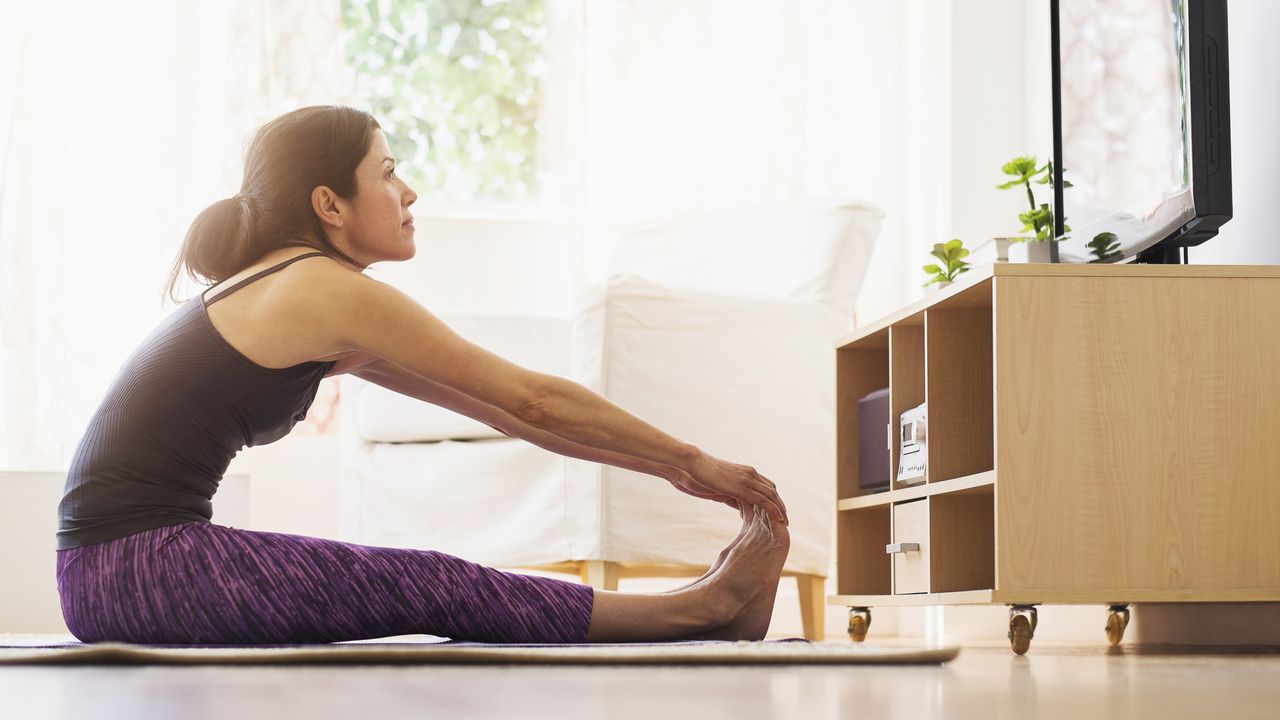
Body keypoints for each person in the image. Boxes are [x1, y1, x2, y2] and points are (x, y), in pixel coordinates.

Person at [54, 105, 791, 645]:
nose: (408, 194)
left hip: (116, 572)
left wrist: (678, 471)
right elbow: (529, 396)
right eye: (388, 171)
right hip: (137, 570)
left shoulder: (293, 286)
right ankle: (702, 609)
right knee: (432, 582)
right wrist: (692, 462)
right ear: (329, 206)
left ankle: (701, 601)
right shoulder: (318, 286)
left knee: (429, 578)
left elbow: (514, 413)